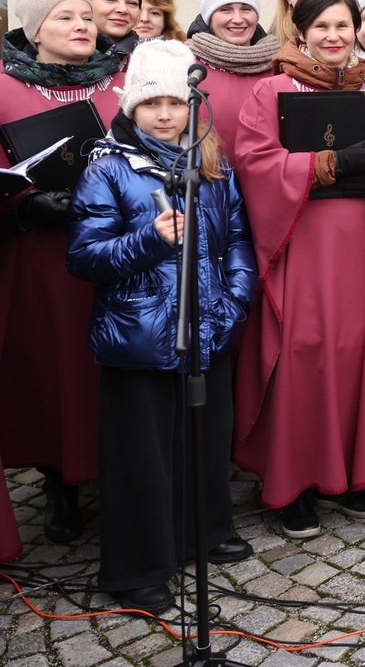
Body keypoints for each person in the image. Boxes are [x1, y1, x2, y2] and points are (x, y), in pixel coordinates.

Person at [68, 39, 257, 614]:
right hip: (141, 335)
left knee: (205, 436)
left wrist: (235, 302)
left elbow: (238, 240)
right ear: (132, 108)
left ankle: (203, 531)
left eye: (177, 102)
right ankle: (138, 568)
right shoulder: (109, 169)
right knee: (142, 455)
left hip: (208, 326)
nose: (167, 115)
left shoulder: (212, 165)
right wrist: (149, 240)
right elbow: (85, 256)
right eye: (153, 104)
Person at [231, 0, 365, 538]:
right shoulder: (272, 90)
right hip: (301, 242)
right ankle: (294, 482)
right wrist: (329, 162)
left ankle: (349, 474)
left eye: (342, 26)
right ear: (301, 32)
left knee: (358, 353)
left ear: (357, 32)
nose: (334, 36)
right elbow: (254, 163)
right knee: (302, 353)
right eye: (321, 27)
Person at [0, 0, 124, 545]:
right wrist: (25, 205)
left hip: (118, 250)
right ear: (33, 31)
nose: (82, 24)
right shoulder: (4, 88)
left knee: (110, 365)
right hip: (45, 257)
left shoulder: (122, 81)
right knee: (55, 368)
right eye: (64, 16)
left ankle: (122, 473)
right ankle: (59, 482)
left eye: (86, 16)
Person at [185, 0, 283, 153]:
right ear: (209, 18)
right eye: (226, 10)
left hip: (266, 171)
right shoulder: (185, 64)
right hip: (207, 172)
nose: (238, 19)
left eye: (246, 9)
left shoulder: (279, 64)